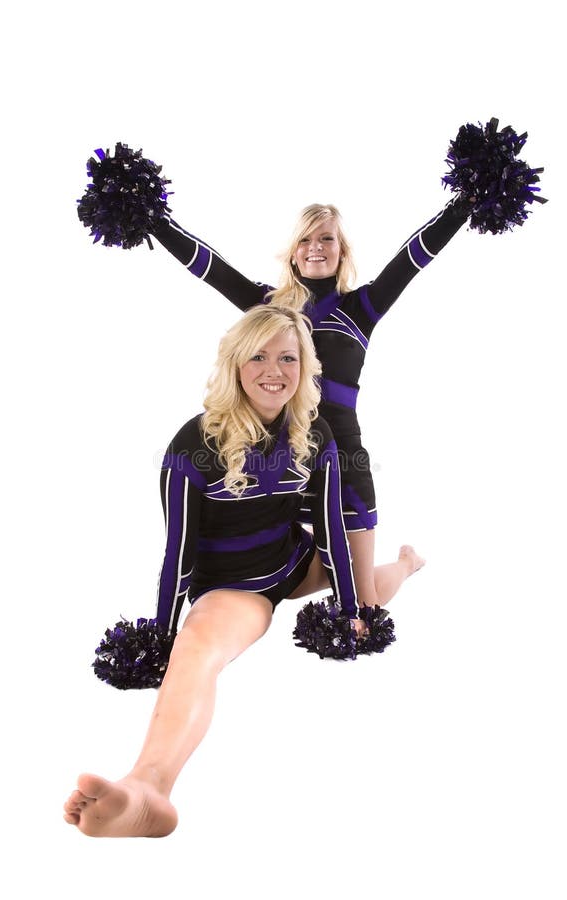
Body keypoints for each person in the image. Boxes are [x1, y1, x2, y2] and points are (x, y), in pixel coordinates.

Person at [64, 304, 396, 838]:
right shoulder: (194, 444)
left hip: (296, 560)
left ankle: (402, 565)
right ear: (235, 365)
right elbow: (179, 553)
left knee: (371, 590)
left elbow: (332, 529)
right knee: (198, 649)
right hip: (238, 589)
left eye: (288, 357)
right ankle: (148, 788)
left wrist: (351, 611)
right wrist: (163, 634)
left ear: (305, 367)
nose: (274, 369)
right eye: (259, 356)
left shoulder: (317, 436)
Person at [149, 199, 466, 603]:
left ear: (342, 251)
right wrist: (155, 222)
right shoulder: (270, 308)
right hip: (283, 459)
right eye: (305, 239)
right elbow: (211, 268)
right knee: (277, 568)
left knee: (362, 605)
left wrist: (463, 205)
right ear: (294, 253)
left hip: (341, 459)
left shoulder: (361, 308)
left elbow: (412, 259)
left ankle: (405, 563)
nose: (316, 247)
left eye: (326, 238)